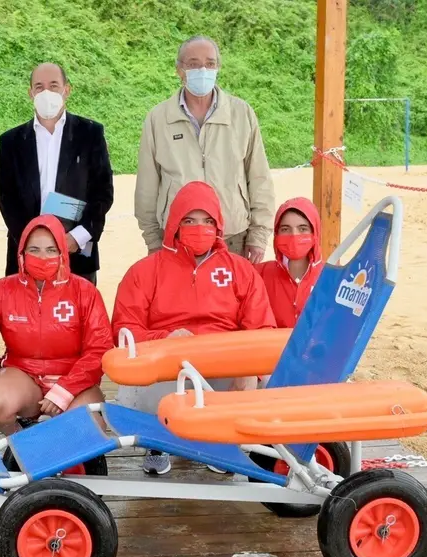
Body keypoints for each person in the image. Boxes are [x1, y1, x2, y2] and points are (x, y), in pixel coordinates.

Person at [112, 181, 276, 475]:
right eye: (189, 220)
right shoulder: (144, 271)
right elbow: (124, 330)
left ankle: (222, 441)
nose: (199, 228)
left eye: (207, 221)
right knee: (140, 388)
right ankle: (157, 441)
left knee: (252, 373)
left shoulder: (240, 270)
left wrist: (245, 365)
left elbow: (262, 329)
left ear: (218, 225)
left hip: (221, 371)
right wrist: (164, 339)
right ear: (175, 224)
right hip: (165, 369)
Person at [0, 215, 112, 436]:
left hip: (74, 379)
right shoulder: (1, 290)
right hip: (24, 375)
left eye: (51, 249)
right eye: (34, 249)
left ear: (63, 252)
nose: (43, 257)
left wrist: (66, 389)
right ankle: (23, 440)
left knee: (89, 426)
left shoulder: (85, 292)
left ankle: (69, 459)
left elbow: (100, 350)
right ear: (21, 253)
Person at [134, 35, 275, 262]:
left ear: (218, 67)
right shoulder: (158, 118)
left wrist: (258, 237)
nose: (202, 70)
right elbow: (147, 186)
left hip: (233, 238)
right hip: (177, 238)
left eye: (209, 63)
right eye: (193, 64)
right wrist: (153, 240)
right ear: (180, 70)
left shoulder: (242, 114)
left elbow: (259, 178)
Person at [0, 62, 114, 284]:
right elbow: (6, 199)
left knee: (76, 316)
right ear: (30, 92)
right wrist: (32, 243)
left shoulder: (90, 134)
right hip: (26, 254)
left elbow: (103, 193)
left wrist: (76, 237)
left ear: (66, 90)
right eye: (39, 87)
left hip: (76, 252)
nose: (46, 92)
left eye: (53, 85)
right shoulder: (11, 142)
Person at [256, 198, 325, 328]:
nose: (294, 236)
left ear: (315, 233)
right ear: (276, 234)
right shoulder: (259, 274)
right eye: (285, 229)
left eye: (302, 229)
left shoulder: (331, 277)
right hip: (273, 348)